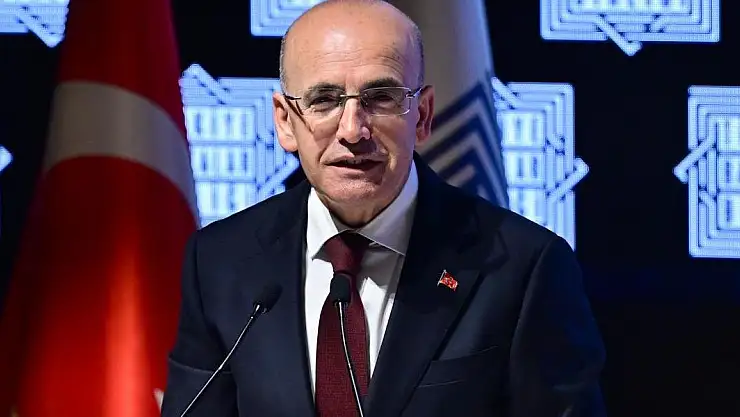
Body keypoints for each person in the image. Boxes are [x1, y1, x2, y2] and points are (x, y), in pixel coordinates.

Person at [160, 0, 607, 416]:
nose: (353, 130)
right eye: (323, 100)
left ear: (423, 115)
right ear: (285, 121)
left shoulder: (523, 267)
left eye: (381, 98)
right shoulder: (221, 262)